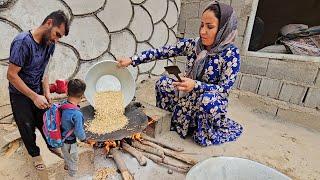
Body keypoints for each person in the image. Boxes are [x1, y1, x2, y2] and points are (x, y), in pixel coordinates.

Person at [117, 1, 243, 146]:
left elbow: (224, 90)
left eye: (210, 27)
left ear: (223, 29)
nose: (202, 31)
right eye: (202, 25)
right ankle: (170, 120)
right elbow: (163, 51)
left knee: (208, 100)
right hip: (188, 93)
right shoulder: (194, 44)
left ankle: (202, 133)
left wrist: (195, 85)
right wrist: (132, 60)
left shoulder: (231, 54)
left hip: (209, 100)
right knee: (163, 83)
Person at [6, 10, 70, 170]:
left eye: (59, 37)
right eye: (57, 34)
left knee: (46, 121)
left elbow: (45, 71)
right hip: (19, 94)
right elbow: (11, 75)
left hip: (37, 90)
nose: (56, 39)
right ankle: (35, 155)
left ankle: (51, 145)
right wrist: (34, 97)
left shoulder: (50, 44)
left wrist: (46, 93)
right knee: (26, 126)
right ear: (49, 23)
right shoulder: (23, 42)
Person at [60, 79, 87, 177]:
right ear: (82, 95)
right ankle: (72, 175)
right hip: (70, 143)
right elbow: (78, 132)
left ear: (67, 91)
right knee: (74, 160)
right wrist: (84, 139)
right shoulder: (76, 114)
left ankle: (67, 164)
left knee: (67, 156)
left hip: (61, 137)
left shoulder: (63, 104)